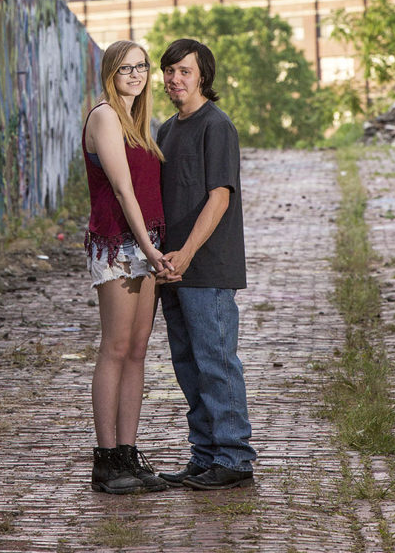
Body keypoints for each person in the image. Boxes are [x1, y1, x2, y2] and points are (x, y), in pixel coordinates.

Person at [155, 37, 257, 491]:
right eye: (170, 70)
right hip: (170, 269)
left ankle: (234, 457)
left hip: (206, 267)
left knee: (216, 361)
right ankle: (204, 455)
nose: (175, 78)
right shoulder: (165, 129)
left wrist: (188, 254)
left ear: (203, 77)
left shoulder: (218, 126)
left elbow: (220, 198)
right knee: (187, 365)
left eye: (185, 71)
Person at [83, 39, 176, 495]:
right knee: (116, 348)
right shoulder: (104, 116)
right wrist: (148, 248)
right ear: (110, 74)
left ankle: (128, 453)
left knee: (138, 351)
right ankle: (105, 461)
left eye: (141, 67)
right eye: (126, 69)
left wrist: (157, 246)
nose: (136, 75)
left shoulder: (140, 124)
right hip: (118, 246)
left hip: (147, 244)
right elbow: (122, 191)